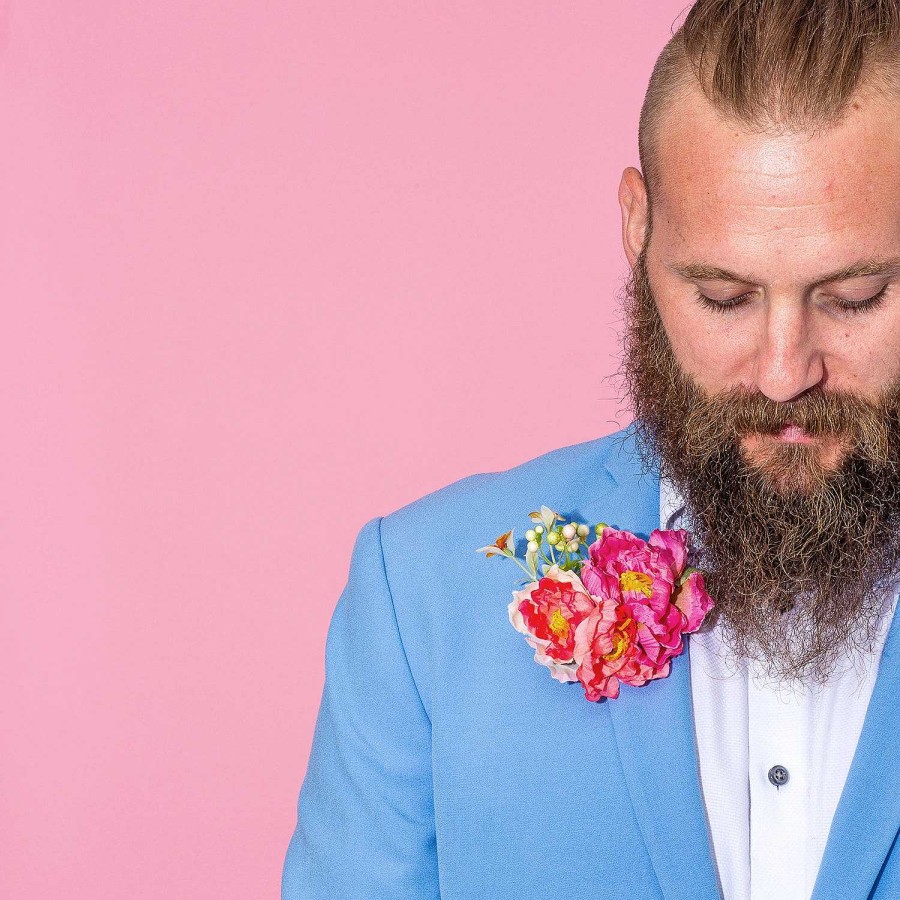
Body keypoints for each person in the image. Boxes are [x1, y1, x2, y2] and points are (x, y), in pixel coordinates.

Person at [281, 2, 900, 897]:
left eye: (855, 296)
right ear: (637, 226)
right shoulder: (422, 598)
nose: (781, 373)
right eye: (723, 297)